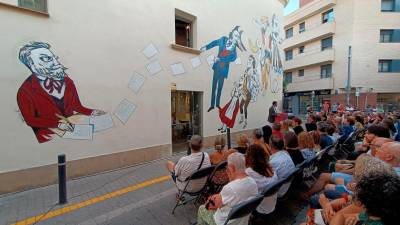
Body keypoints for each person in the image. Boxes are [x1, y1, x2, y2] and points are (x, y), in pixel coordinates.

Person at [17, 42, 105, 143]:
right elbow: (30, 120)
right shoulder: (25, 91)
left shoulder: (67, 81)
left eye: (55, 58)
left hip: (73, 131)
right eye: (46, 59)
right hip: (49, 136)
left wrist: (92, 112)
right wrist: (57, 124)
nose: (56, 62)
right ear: (32, 64)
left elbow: (77, 106)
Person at [196, 153, 258, 225]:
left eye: (227, 167)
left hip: (224, 222)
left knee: (202, 209)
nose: (227, 169)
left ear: (232, 168)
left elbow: (212, 206)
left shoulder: (230, 188)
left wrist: (230, 179)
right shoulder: (253, 183)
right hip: (242, 221)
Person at [201, 26, 246, 112]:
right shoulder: (223, 39)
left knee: (220, 88)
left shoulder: (233, 49)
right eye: (235, 34)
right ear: (232, 33)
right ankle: (212, 105)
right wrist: (206, 47)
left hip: (224, 69)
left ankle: (217, 104)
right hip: (217, 67)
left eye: (237, 36)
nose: (236, 37)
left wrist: (222, 57)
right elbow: (214, 43)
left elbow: (233, 58)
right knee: (214, 87)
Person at [245, 144, 279, 218]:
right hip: (271, 205)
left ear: (249, 157)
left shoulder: (249, 172)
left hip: (260, 209)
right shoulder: (270, 168)